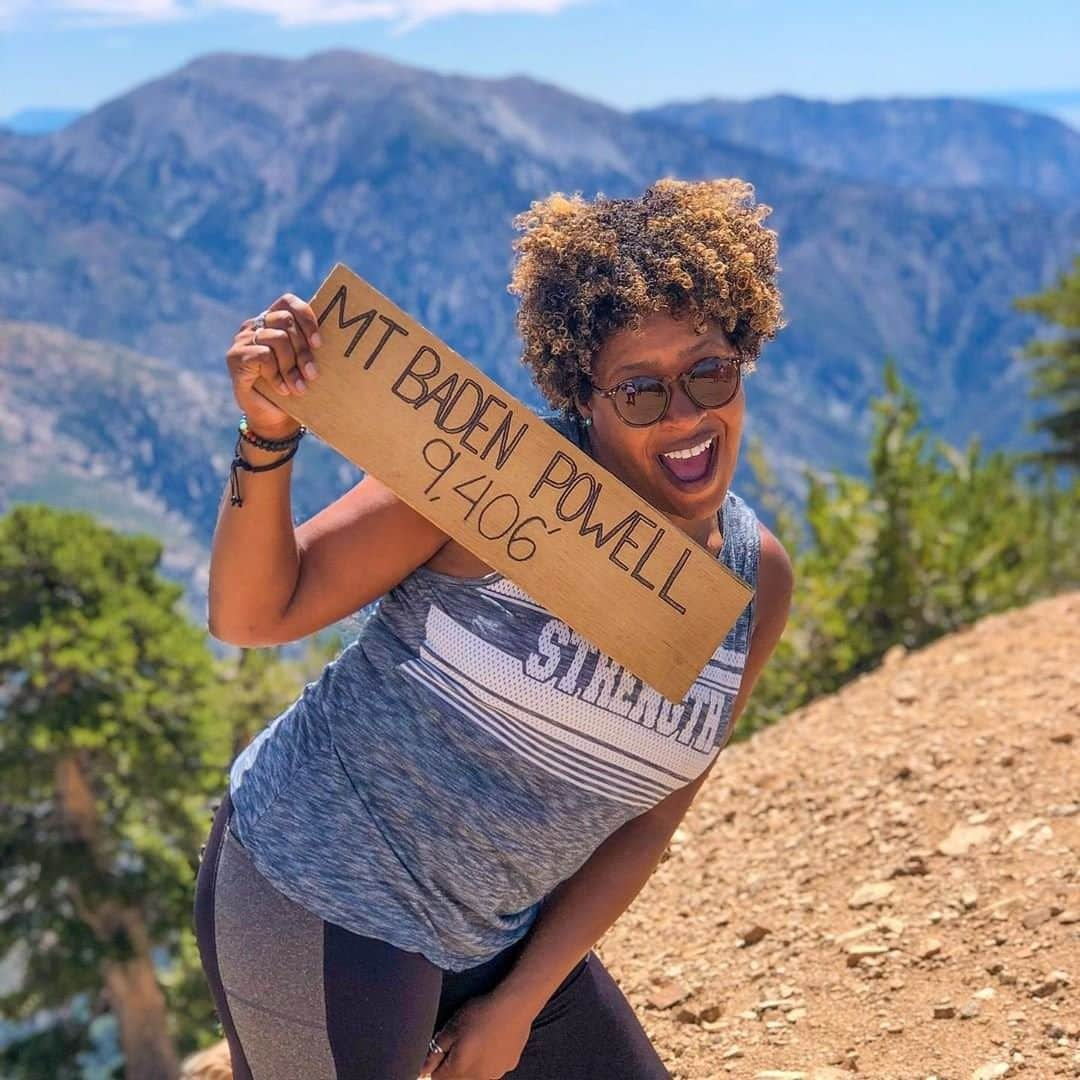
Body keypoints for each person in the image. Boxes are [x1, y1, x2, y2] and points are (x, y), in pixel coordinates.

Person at [194, 176, 793, 1080]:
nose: (684, 415)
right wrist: (269, 431)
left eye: (709, 371)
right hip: (317, 889)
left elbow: (651, 819)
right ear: (582, 396)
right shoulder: (490, 479)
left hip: (499, 933)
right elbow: (252, 613)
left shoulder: (756, 583)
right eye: (639, 391)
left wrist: (519, 1002)